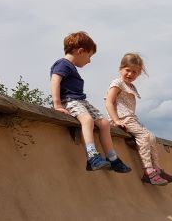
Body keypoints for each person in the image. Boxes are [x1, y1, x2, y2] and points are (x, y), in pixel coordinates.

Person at [50, 31, 131, 173]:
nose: (89, 61)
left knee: (104, 123)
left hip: (81, 101)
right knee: (87, 120)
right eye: (89, 56)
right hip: (69, 100)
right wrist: (57, 104)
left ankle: (112, 158)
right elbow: (55, 80)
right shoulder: (62, 64)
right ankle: (92, 156)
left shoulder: (71, 67)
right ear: (81, 51)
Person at [105, 53, 172, 186]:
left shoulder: (131, 87)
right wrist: (116, 120)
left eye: (135, 72)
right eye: (128, 70)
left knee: (151, 137)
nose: (130, 74)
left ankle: (157, 169)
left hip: (131, 118)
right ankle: (148, 172)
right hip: (122, 118)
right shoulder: (117, 83)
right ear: (121, 69)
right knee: (143, 136)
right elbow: (109, 102)